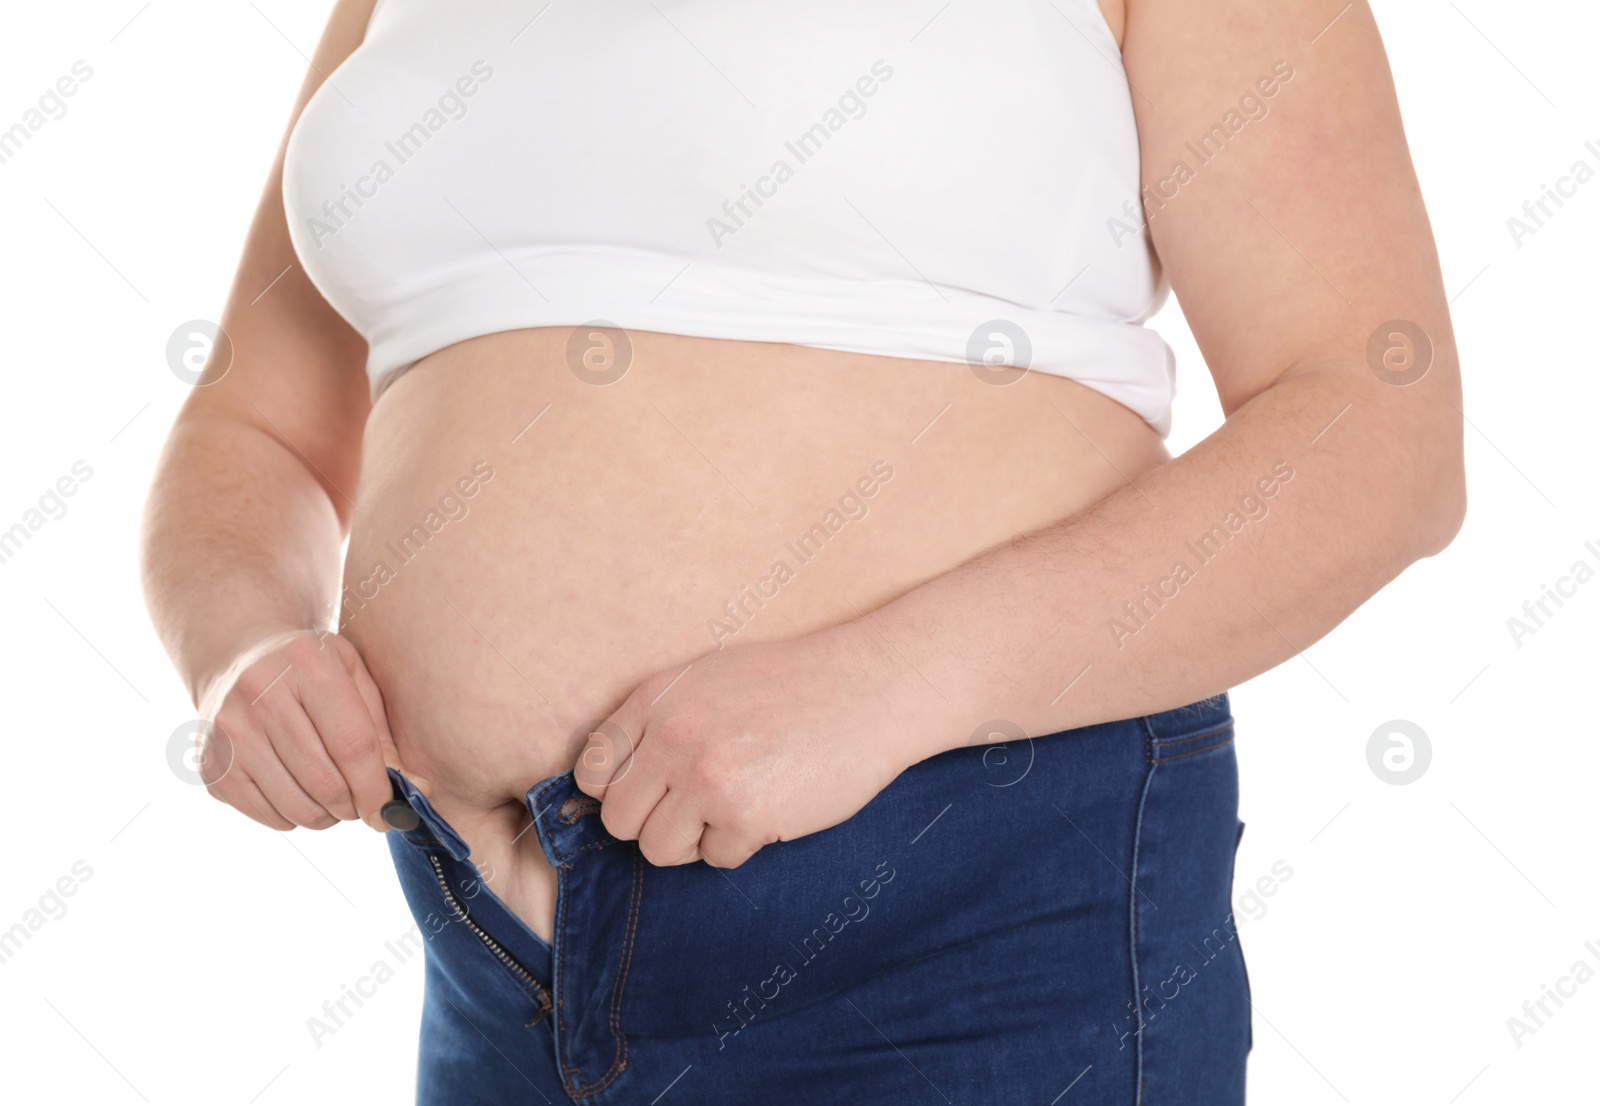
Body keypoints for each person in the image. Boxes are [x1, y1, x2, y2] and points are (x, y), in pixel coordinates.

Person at [140, 0, 1464, 1102]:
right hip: (503, 958)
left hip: (964, 922)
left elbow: (1375, 425)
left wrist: (888, 687)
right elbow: (254, 426)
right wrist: (244, 645)